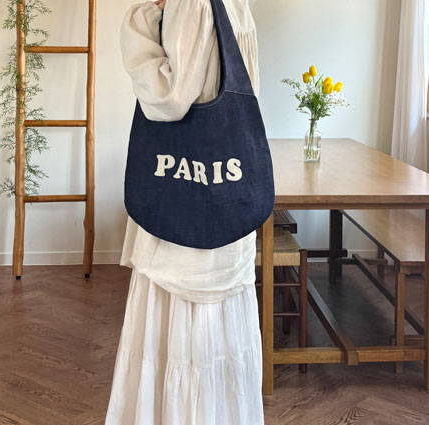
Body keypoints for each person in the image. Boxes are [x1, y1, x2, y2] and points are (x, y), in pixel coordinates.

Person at [106, 0, 264, 424]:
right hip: (226, 205)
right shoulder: (237, 5)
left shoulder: (190, 3)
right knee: (218, 340)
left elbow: (170, 98)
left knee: (180, 334)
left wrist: (141, 21)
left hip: (181, 224)